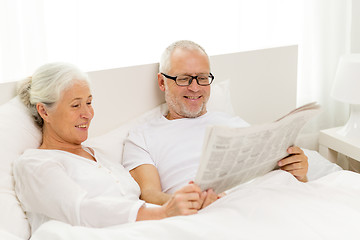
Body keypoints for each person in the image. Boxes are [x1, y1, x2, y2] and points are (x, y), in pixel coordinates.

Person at [13, 62, 206, 233]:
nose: (87, 114)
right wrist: (163, 212)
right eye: (75, 106)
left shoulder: (102, 157)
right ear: (44, 111)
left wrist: (188, 202)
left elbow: (138, 199)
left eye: (89, 102)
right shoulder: (34, 164)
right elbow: (80, 209)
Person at [122, 40, 309, 207]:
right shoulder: (142, 136)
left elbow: (273, 174)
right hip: (210, 211)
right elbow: (150, 195)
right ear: (162, 82)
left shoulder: (234, 124)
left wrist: (298, 171)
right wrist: (189, 203)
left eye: (202, 78)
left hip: (265, 200)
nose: (195, 88)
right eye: (184, 79)